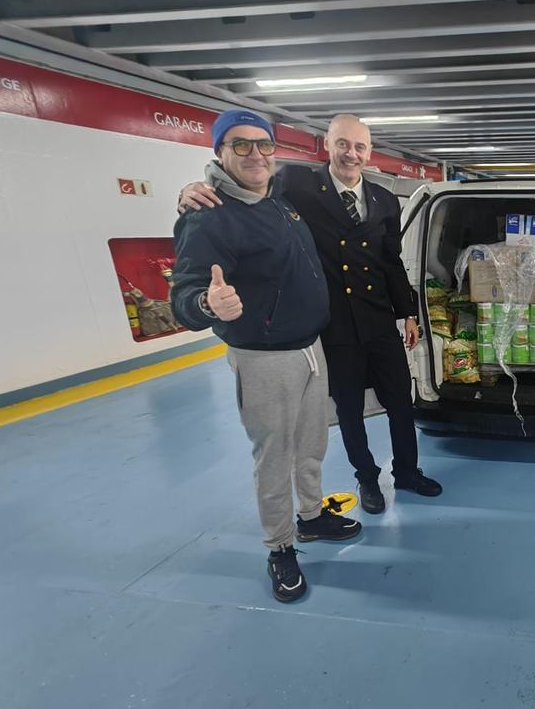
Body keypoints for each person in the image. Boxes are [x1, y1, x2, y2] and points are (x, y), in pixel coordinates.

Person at [180, 115, 441, 516]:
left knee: (401, 403)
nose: (351, 154)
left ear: (370, 152)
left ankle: (406, 471)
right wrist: (193, 189)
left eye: (359, 147)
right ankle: (367, 478)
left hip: (378, 319)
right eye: (343, 144)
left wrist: (406, 312)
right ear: (327, 145)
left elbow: (391, 261)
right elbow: (244, 182)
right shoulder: (297, 184)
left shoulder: (385, 199)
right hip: (335, 325)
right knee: (349, 409)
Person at [171, 109, 361, 603]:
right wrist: (206, 303)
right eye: (240, 144)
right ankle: (280, 547)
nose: (255, 153)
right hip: (264, 356)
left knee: (311, 442)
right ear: (219, 152)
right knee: (275, 456)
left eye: (263, 143)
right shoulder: (207, 215)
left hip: (309, 346)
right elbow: (184, 293)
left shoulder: (280, 193)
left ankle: (312, 516)